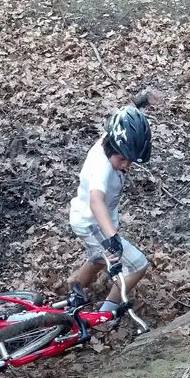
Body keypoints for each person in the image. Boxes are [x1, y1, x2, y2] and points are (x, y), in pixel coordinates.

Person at [66, 89, 163, 314]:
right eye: (122, 159)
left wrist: (142, 102)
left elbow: (125, 116)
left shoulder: (110, 139)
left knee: (98, 259)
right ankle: (106, 313)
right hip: (92, 222)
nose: (126, 165)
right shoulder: (102, 168)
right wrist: (113, 238)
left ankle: (76, 291)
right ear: (114, 150)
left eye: (130, 161)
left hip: (85, 218)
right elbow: (96, 201)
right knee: (138, 265)